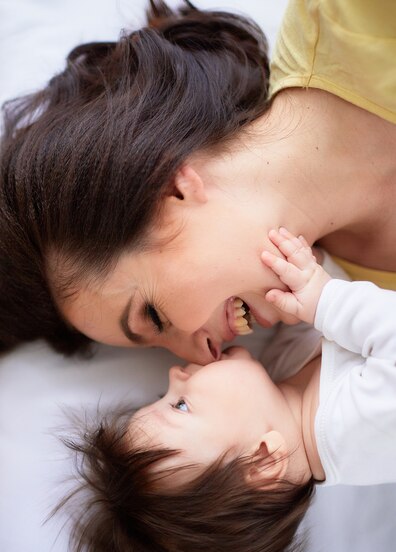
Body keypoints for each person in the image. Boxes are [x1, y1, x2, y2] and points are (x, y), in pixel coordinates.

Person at [0, 0, 395, 361]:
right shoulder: (371, 320)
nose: (205, 357)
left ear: (168, 187)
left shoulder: (354, 16)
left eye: (154, 318)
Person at [61, 227, 396, 552]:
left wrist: (311, 275)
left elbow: (331, 300)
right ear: (265, 460)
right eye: (180, 405)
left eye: (161, 395)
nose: (174, 374)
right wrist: (322, 299)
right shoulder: (359, 433)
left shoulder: (282, 381)